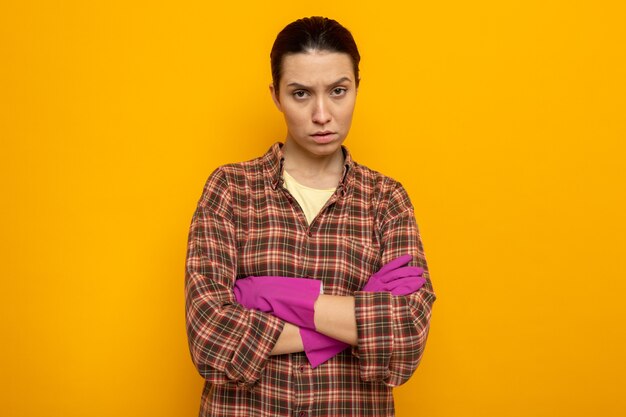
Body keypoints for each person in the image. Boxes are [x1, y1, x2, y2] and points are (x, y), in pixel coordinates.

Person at [185, 16, 436, 417]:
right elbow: (211, 339)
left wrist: (270, 296)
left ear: (357, 87)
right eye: (301, 94)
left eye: (338, 91)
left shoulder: (387, 200)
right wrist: (358, 314)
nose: (322, 114)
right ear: (276, 95)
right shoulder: (230, 189)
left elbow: (406, 337)